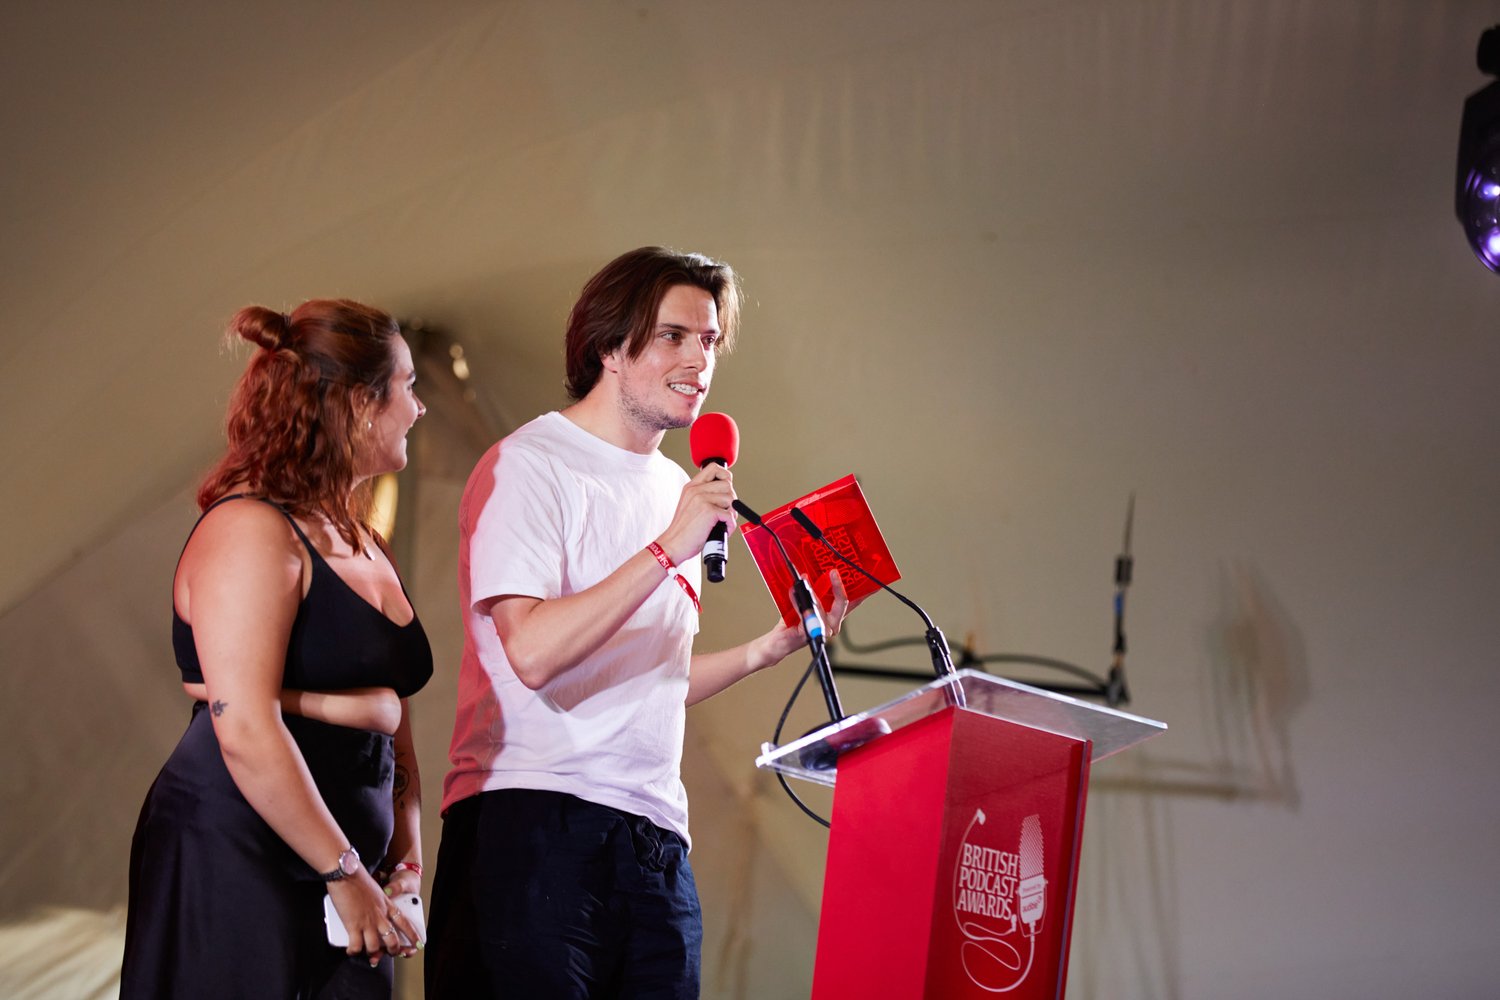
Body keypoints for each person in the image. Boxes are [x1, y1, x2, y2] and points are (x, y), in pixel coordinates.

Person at [425, 246, 855, 998]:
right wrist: (666, 550)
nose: (699, 360)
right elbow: (532, 652)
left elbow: (653, 680)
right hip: (534, 820)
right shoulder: (531, 464)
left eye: (709, 340)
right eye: (673, 337)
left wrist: (768, 648)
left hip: (654, 843)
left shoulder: (677, 489)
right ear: (608, 347)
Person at [120, 299, 434, 998]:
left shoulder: (364, 541)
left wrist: (405, 863)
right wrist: (343, 872)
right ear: (358, 403)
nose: (418, 408)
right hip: (244, 847)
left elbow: (394, 714)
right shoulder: (252, 531)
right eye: (408, 387)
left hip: (352, 868)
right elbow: (246, 728)